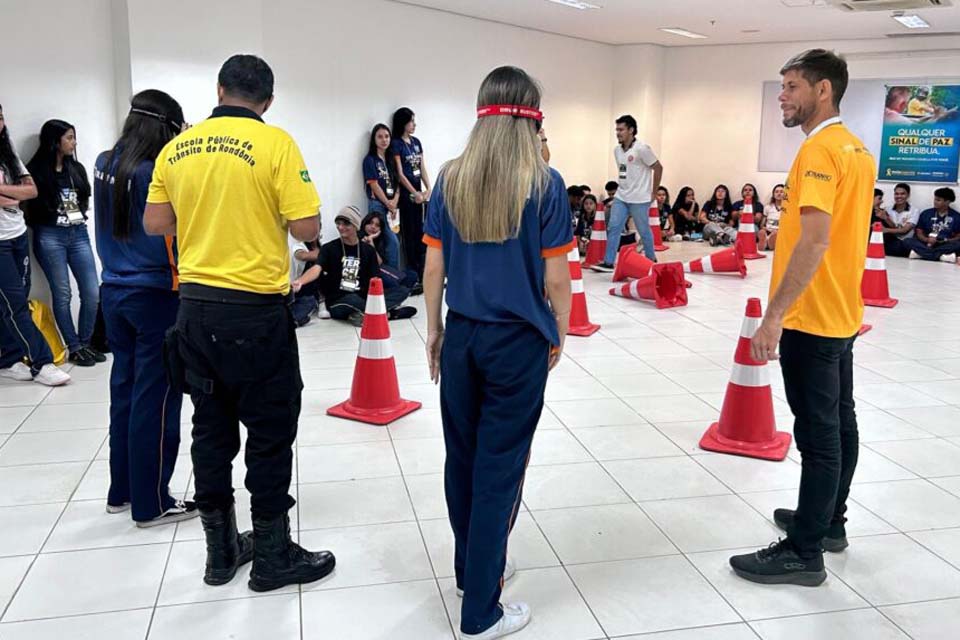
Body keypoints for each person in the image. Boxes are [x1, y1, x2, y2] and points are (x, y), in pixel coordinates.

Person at [144, 54, 334, 591]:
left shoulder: (177, 147)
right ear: (268, 101)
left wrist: (205, 210)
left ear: (220, 90)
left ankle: (221, 554)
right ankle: (273, 556)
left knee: (210, 428)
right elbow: (305, 226)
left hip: (196, 311)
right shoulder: (276, 144)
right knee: (270, 433)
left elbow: (156, 221)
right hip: (254, 312)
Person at [423, 65, 572, 640]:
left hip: (462, 336)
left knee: (462, 459)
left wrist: (435, 331)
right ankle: (481, 611)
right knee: (499, 469)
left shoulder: (449, 178)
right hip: (517, 342)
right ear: (532, 116)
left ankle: (471, 571)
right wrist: (557, 330)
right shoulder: (544, 183)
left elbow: (433, 268)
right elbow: (557, 278)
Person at [730, 49, 876, 587]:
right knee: (841, 422)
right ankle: (828, 521)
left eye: (792, 87)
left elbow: (814, 241)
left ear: (823, 91)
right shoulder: (855, 148)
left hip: (812, 317)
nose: (783, 96)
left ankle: (804, 551)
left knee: (818, 437)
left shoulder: (819, 151)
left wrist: (774, 318)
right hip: (840, 310)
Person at [94, 90, 196, 527]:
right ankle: (152, 500)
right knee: (156, 399)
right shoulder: (156, 171)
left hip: (113, 290)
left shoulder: (104, 162)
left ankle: (123, 490)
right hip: (154, 293)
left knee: (125, 392)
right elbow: (174, 225)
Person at [0, 103, 70, 387]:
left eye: (1, 117)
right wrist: (13, 194)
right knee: (14, 303)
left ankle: (8, 358)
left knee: (13, 300)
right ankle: (42, 362)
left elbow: (30, 191)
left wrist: (9, 194)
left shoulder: (8, 152)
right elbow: (17, 195)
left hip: (16, 233)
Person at [24, 119, 103, 368]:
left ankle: (85, 342)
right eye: (69, 137)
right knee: (63, 293)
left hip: (78, 233)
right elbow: (30, 210)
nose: (74, 142)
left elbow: (84, 197)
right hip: (50, 236)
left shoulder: (75, 168)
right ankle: (75, 346)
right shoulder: (35, 171)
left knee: (92, 291)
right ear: (54, 141)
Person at [317, 205, 416, 326]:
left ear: (355, 225)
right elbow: (318, 273)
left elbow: (376, 276)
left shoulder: (368, 249)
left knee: (402, 291)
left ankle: (362, 314)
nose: (340, 227)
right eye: (338, 223)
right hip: (340, 299)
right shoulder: (329, 248)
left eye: (346, 224)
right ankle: (388, 314)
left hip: (364, 296)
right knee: (353, 300)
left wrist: (376, 295)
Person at [593, 115, 663, 271]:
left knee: (643, 230)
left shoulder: (642, 149)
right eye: (616, 130)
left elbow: (658, 168)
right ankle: (609, 262)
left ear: (631, 130)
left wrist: (654, 192)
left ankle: (651, 259)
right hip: (621, 196)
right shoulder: (617, 151)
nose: (618, 133)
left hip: (640, 198)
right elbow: (624, 172)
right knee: (614, 227)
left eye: (621, 129)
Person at [390, 107, 431, 283]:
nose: (414, 125)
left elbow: (421, 166)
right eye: (411, 121)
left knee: (422, 231)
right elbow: (400, 173)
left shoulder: (416, 142)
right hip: (407, 195)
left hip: (420, 192)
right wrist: (414, 192)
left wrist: (428, 187)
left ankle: (424, 270)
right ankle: (414, 272)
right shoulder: (396, 143)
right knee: (410, 233)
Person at [362, 123, 403, 276]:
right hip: (378, 205)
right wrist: (388, 203)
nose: (384, 140)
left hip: (392, 207)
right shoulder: (370, 160)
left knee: (392, 241)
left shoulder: (391, 160)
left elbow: (397, 184)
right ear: (374, 139)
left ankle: (392, 276)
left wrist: (394, 203)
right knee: (391, 242)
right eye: (380, 137)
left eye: (386, 136)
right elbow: (373, 184)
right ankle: (391, 276)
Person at [360, 211, 418, 289]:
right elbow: (377, 264)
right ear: (364, 224)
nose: (373, 227)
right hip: (369, 274)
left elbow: (380, 262)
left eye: (377, 225)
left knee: (412, 274)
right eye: (370, 223)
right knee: (395, 283)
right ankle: (402, 289)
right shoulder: (358, 237)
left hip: (382, 270)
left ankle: (403, 289)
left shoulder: (379, 241)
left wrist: (371, 243)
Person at [903, 187, 960, 262]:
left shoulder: (956, 216)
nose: (935, 202)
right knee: (907, 241)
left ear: (947, 202)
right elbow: (919, 232)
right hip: (926, 243)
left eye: (938, 200)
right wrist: (927, 239)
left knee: (958, 244)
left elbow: (958, 236)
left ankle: (921, 254)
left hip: (944, 243)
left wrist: (946, 240)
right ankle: (940, 256)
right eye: (935, 199)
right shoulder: (926, 213)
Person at [874, 183, 919, 258]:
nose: (899, 196)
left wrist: (886, 230)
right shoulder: (887, 209)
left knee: (908, 242)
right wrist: (886, 218)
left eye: (902, 194)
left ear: (908, 195)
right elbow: (892, 226)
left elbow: (904, 230)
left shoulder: (914, 210)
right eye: (896, 194)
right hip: (890, 241)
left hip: (906, 241)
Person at [289, 235, 321, 327]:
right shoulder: (298, 244)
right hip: (293, 289)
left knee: (309, 301)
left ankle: (294, 319)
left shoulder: (319, 247)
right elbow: (302, 255)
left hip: (304, 292)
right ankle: (294, 320)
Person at [759, 183, 785, 251]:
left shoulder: (789, 208)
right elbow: (762, 223)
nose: (779, 194)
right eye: (776, 192)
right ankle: (766, 242)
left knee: (776, 234)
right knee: (762, 232)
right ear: (773, 194)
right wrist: (763, 228)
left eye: (781, 192)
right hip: (769, 230)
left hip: (780, 231)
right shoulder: (768, 207)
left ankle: (768, 244)